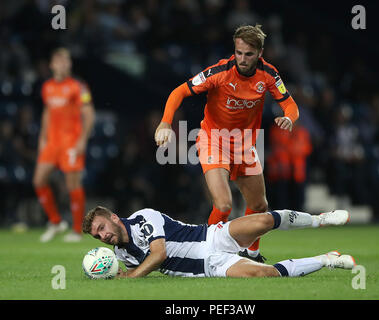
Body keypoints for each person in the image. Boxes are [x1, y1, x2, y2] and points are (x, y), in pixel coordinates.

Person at [154, 24, 299, 262]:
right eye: (239, 52)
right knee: (223, 205)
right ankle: (206, 256)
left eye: (248, 54)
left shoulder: (269, 75)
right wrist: (165, 122)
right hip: (213, 140)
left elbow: (290, 104)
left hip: (244, 146)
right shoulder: (219, 72)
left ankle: (251, 253)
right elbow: (179, 91)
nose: (242, 59)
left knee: (260, 205)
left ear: (260, 53)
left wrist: (288, 118)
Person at [82, 206, 353, 279]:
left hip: (211, 235)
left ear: (114, 218)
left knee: (264, 222)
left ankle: (321, 219)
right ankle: (327, 260)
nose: (102, 236)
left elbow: (159, 254)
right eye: (97, 236)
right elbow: (114, 273)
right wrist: (112, 274)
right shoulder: (120, 254)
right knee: (264, 274)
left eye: (102, 228)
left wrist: (131, 277)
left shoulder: (143, 218)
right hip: (210, 267)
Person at [33, 48, 95, 242]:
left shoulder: (78, 86)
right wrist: (42, 138)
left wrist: (83, 139)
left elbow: (89, 113)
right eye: (59, 60)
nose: (63, 64)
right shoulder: (47, 87)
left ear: (70, 64)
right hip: (52, 142)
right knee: (39, 180)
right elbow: (47, 112)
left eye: (67, 60)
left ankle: (77, 230)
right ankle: (56, 221)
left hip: (70, 142)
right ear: (52, 64)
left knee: (72, 185)